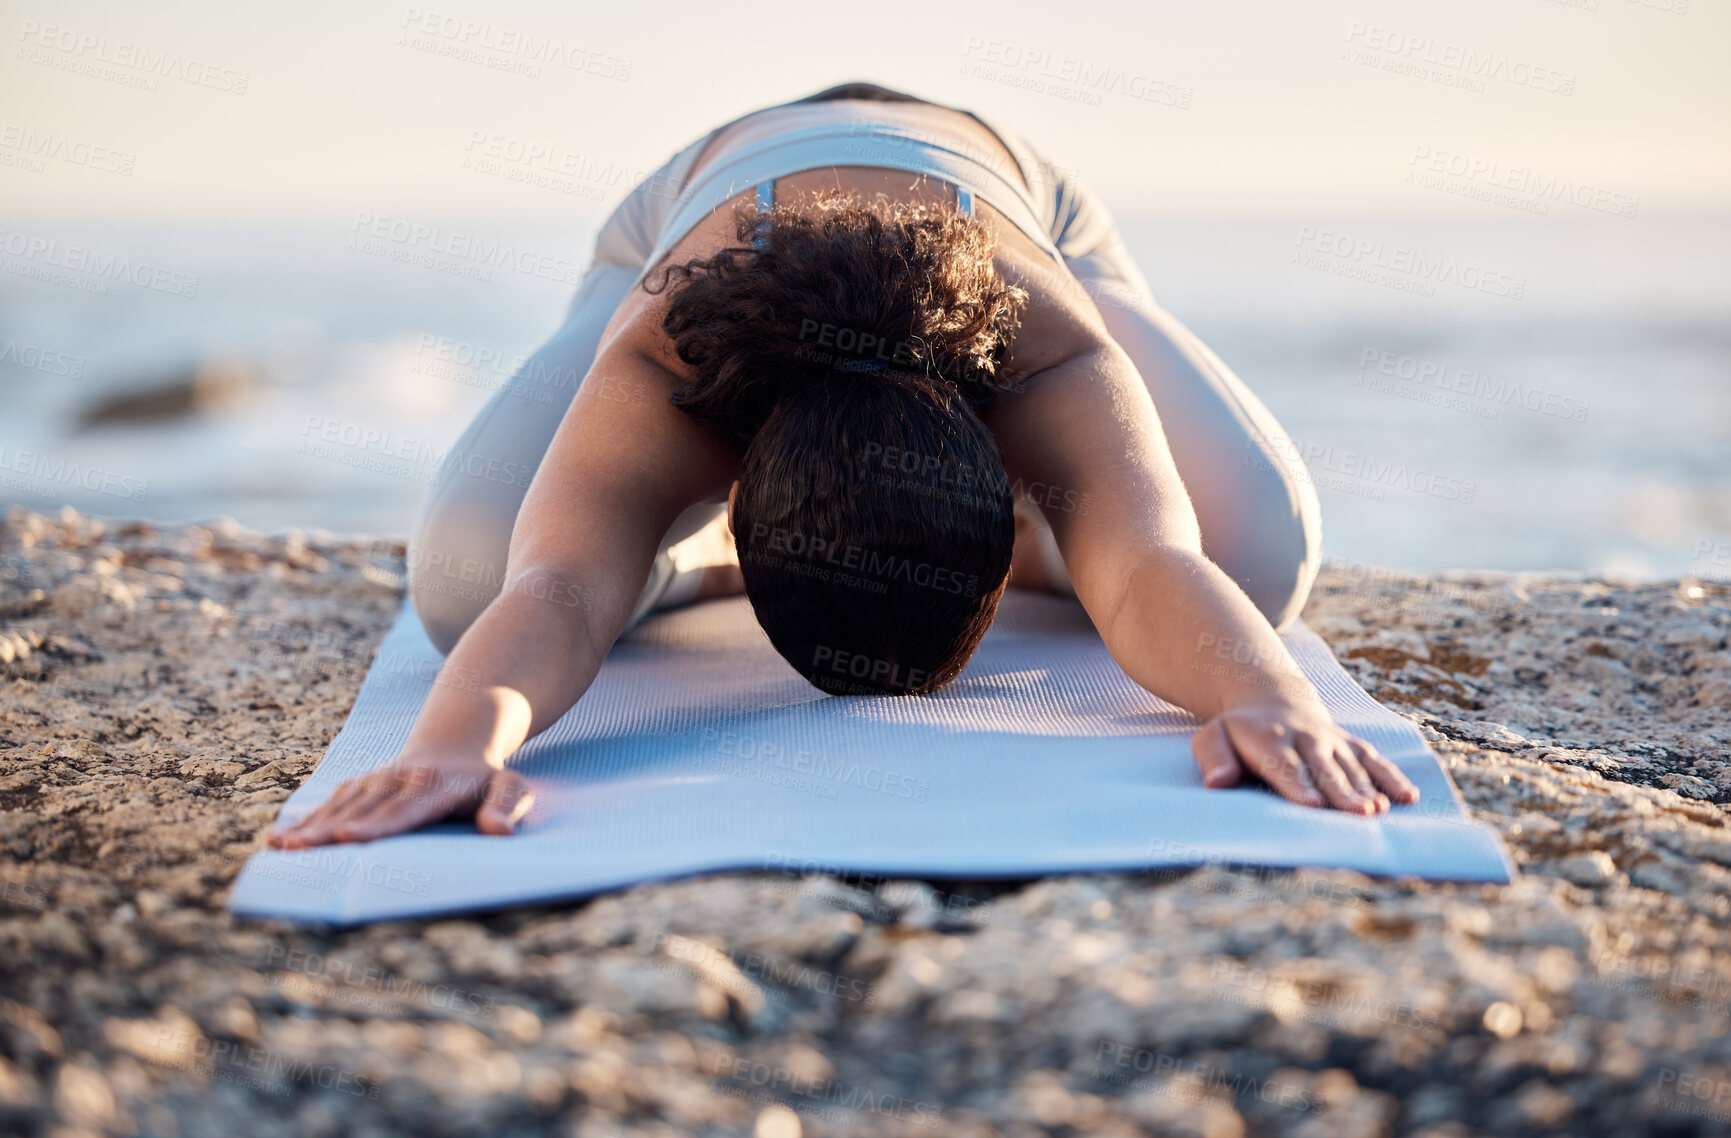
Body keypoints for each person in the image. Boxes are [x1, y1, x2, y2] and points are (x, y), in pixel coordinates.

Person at [270, 81, 1418, 851]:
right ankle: (670, 558)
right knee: (470, 580)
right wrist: (453, 748)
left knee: (1255, 557)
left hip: (1037, 223)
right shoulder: (670, 352)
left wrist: (1271, 701)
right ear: (733, 467)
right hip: (678, 218)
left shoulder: (1048, 347)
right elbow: (556, 589)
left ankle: (1041, 531)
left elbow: (1150, 561)